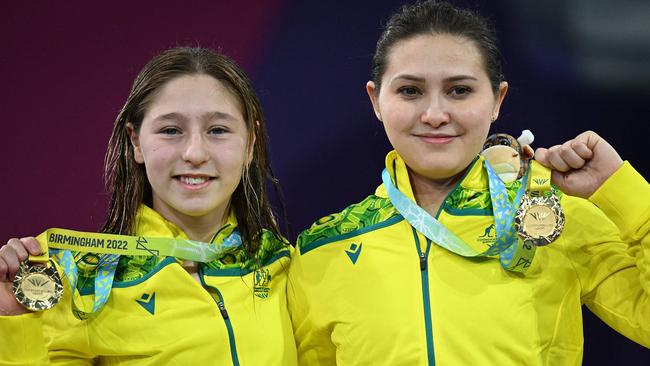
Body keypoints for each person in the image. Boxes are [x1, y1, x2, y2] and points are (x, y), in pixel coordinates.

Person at [287, 1, 649, 365]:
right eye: (410, 91)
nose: (434, 115)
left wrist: (621, 190)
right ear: (376, 101)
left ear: (497, 100)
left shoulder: (550, 212)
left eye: (459, 90)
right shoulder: (325, 250)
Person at [0, 47, 297, 365]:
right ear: (136, 141)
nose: (195, 153)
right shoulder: (75, 278)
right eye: (171, 130)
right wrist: (13, 321)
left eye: (218, 130)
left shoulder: (284, 265)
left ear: (250, 142)